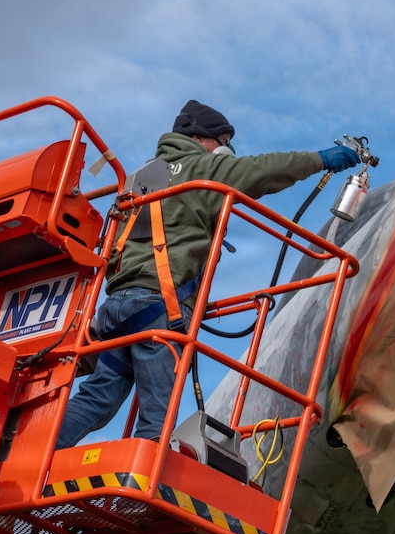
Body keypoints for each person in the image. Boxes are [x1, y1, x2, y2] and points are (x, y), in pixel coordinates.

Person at [56, 100, 360, 448]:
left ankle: (29, 454)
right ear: (200, 137)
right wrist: (320, 160)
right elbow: (263, 170)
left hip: (116, 307)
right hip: (159, 308)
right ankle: (139, 486)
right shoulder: (201, 168)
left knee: (96, 401)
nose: (226, 149)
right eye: (223, 141)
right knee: (157, 417)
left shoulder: (139, 179)